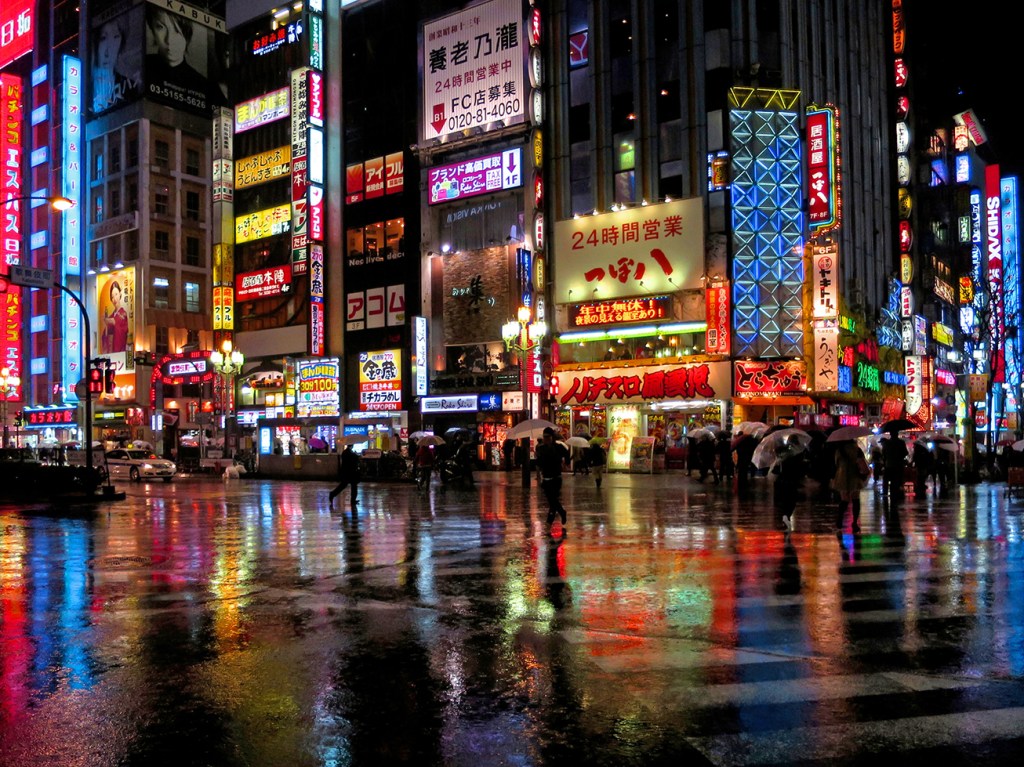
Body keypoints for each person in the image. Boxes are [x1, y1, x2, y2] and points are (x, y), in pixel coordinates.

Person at [92, 15, 140, 114]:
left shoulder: (130, 88)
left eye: (116, 37)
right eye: (103, 38)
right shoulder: (82, 88)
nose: (109, 50)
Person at [535, 427, 570, 534]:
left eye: (548, 437)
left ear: (552, 437)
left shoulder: (558, 447)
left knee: (552, 501)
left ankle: (549, 523)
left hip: (556, 478)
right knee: (552, 501)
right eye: (544, 437)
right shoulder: (541, 448)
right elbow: (539, 463)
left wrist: (566, 462)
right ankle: (562, 512)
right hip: (546, 478)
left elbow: (566, 453)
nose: (546, 439)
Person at [833, 441, 870, 531]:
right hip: (854, 476)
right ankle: (854, 522)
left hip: (842, 476)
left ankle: (840, 519)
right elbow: (862, 463)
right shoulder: (857, 450)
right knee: (855, 499)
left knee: (844, 499)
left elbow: (836, 464)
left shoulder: (839, 450)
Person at [772, 434, 806, 530]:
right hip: (793, 478)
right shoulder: (799, 452)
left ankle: (785, 515)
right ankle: (787, 514)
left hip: (783, 478)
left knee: (785, 498)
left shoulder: (784, 450)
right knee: (792, 499)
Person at [328, 445, 361, 509]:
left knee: (347, 485)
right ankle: (332, 494)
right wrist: (356, 456)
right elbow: (353, 459)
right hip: (349, 472)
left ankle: (352, 500)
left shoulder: (347, 452)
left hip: (348, 472)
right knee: (349, 485)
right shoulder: (347, 453)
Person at [101, 280, 129, 354]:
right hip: (110, 351)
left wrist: (107, 320)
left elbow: (115, 322)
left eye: (116, 294)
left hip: (119, 352)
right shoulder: (111, 316)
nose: (114, 299)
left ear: (120, 294)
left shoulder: (123, 313)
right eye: (112, 297)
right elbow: (105, 336)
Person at [880, 435, 909, 501]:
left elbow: (883, 454)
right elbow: (905, 452)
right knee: (897, 480)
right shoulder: (901, 442)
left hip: (889, 464)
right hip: (898, 465)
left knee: (887, 479)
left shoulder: (887, 443)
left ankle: (887, 492)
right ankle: (897, 493)